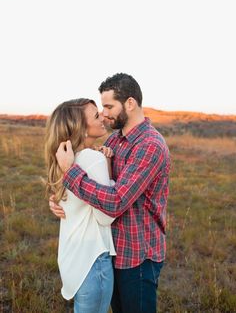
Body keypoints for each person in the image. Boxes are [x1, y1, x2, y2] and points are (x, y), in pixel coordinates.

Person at [50, 73, 171, 313]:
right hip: (110, 252)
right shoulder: (115, 141)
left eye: (108, 106)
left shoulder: (149, 146)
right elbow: (96, 185)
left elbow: (115, 201)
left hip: (137, 256)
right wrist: (60, 200)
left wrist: (70, 173)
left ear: (130, 103)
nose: (104, 114)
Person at [45, 98, 116, 313]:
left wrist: (108, 166)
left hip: (72, 259)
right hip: (93, 262)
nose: (103, 116)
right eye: (96, 116)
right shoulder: (93, 159)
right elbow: (106, 216)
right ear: (81, 129)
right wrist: (110, 178)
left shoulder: (64, 160)